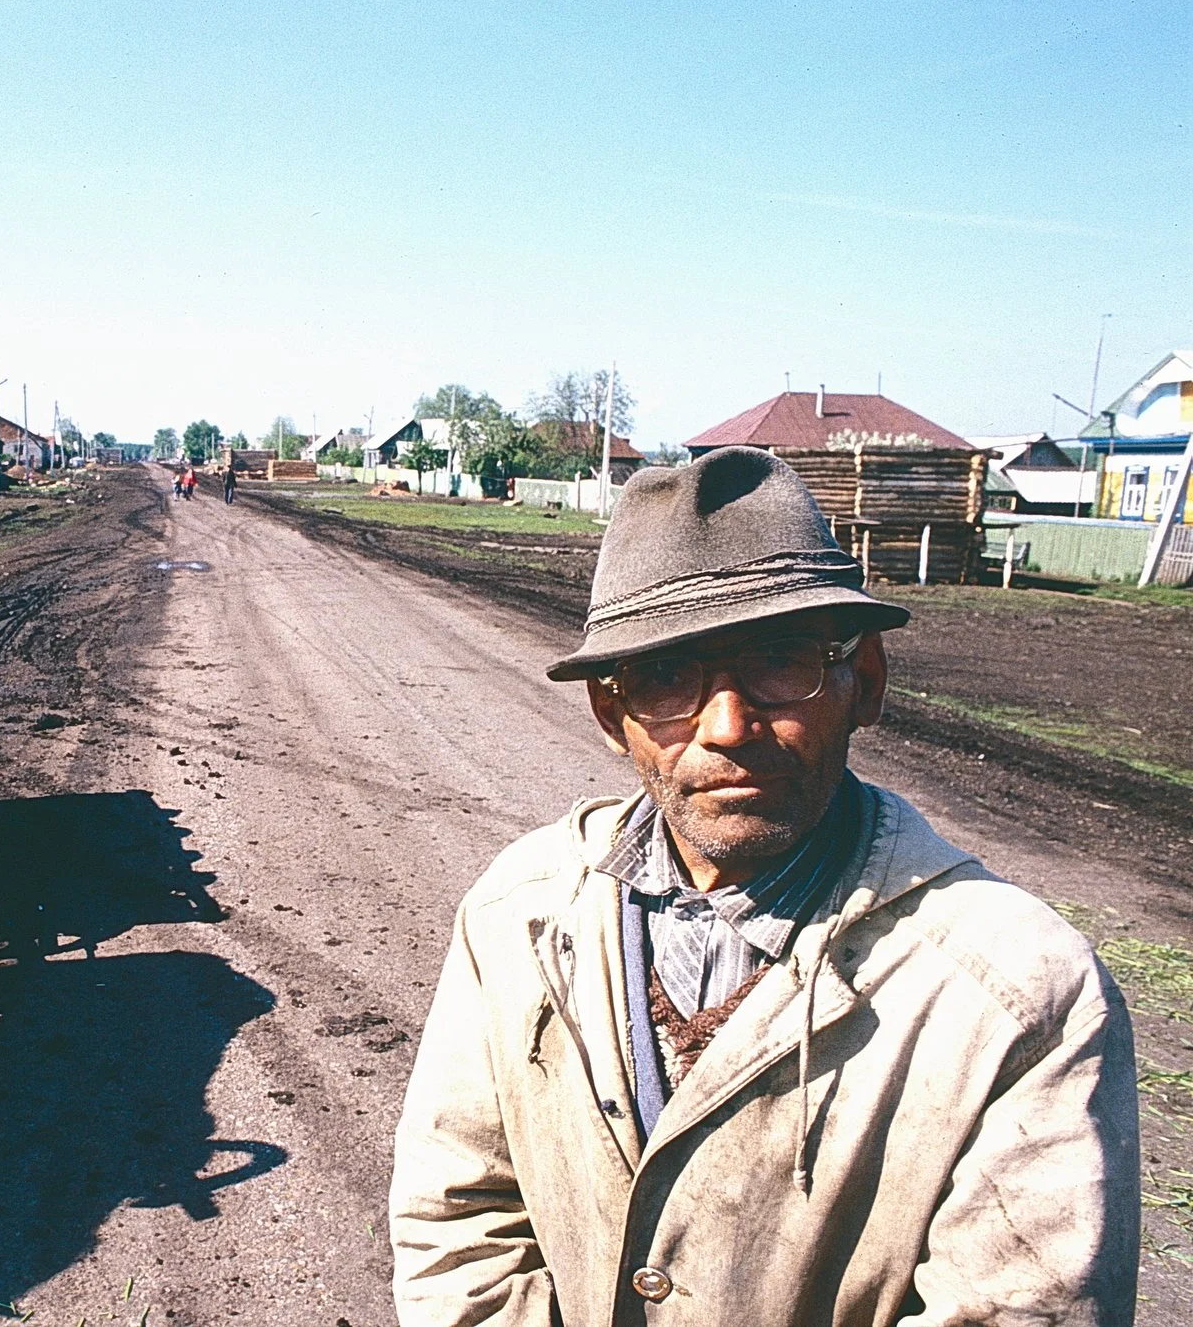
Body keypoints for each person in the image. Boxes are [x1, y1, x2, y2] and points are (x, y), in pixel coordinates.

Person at [389, 446, 1138, 1326]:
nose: (728, 726)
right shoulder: (520, 914)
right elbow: (460, 1223)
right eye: (668, 676)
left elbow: (1026, 1309)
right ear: (610, 714)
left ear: (864, 684)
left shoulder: (1020, 992)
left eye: (781, 661)